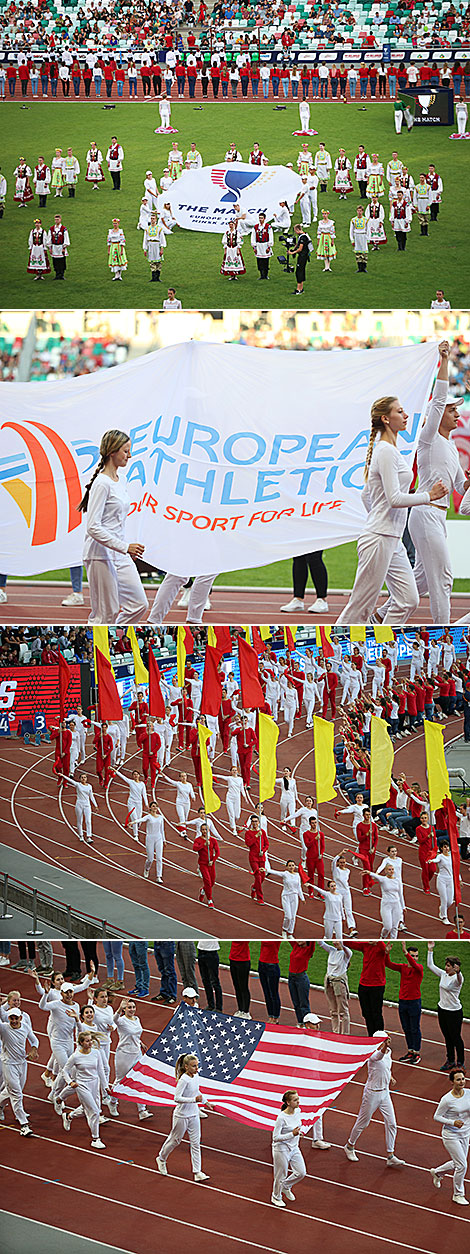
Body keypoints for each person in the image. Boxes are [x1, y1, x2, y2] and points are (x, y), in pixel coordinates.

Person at [336, 389, 446, 625]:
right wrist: (429, 496)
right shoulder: (385, 451)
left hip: (391, 539)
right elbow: (395, 499)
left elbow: (367, 495)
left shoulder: (390, 451)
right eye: (400, 411)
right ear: (386, 419)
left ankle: (382, 639)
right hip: (379, 538)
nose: (406, 415)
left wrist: (380, 516)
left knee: (408, 600)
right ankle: (335, 649)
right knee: (360, 608)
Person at [408, 340, 469, 624]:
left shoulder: (452, 447)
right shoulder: (428, 436)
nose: (457, 414)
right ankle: (444, 631)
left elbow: (460, 488)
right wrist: (444, 360)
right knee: (443, 579)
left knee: (420, 582)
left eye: (458, 410)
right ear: (438, 413)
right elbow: (440, 395)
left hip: (437, 516)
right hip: (425, 513)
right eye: (452, 410)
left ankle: (380, 615)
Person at [79, 429, 148, 624]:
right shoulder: (101, 484)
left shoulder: (121, 480)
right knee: (104, 615)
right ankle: (102, 645)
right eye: (126, 451)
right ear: (112, 452)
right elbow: (93, 527)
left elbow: (116, 522)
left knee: (139, 604)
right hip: (100, 554)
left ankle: (115, 632)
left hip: (119, 553)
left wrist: (125, 549)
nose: (130, 455)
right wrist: (125, 547)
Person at [344, 1034, 405, 1167]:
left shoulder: (388, 1052)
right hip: (372, 1093)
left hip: (385, 1092)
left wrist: (390, 1077)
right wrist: (385, 1046)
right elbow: (379, 1057)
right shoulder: (372, 1054)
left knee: (392, 1123)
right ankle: (349, 1146)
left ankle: (390, 1155)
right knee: (363, 1122)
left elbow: (386, 1067)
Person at [157, 1053, 213, 1181]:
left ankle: (197, 1172)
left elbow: (197, 1091)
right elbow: (177, 1098)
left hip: (193, 1114)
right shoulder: (183, 1080)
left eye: (197, 1065)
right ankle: (161, 1159)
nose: (196, 1068)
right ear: (186, 1067)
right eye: (194, 1066)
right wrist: (194, 1100)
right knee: (175, 1140)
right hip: (181, 1115)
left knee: (195, 1143)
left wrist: (206, 1102)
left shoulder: (196, 1076)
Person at [60, 1030, 108, 1148]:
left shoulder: (96, 1053)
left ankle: (69, 1116)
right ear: (81, 1043)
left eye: (91, 1040)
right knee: (95, 1112)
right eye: (87, 1041)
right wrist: (70, 1082)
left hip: (94, 1084)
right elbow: (64, 1071)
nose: (90, 1042)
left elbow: (101, 1070)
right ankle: (95, 1139)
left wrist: (106, 1087)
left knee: (88, 1108)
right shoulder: (75, 1057)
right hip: (82, 1085)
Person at [431, 1068, 470, 1205]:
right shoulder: (447, 1099)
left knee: (458, 1163)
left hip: (465, 1134)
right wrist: (452, 1122)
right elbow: (436, 1117)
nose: (462, 1082)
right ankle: (458, 1194)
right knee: (462, 1165)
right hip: (451, 1135)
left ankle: (437, 1172)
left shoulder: (469, 1094)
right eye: (458, 1079)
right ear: (452, 1081)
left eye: (463, 1079)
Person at [0, 1007, 38, 1136]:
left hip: (22, 1063)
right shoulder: (4, 1028)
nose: (14, 1021)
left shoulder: (25, 1027)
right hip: (9, 1064)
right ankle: (24, 1125)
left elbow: (34, 1040)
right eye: (12, 1018)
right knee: (17, 1094)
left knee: (13, 1091)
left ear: (20, 1018)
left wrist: (34, 1049)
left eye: (16, 1018)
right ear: (8, 1018)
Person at [426, 943, 465, 1070]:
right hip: (442, 1009)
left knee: (456, 1037)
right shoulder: (443, 974)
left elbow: (459, 980)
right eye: (446, 965)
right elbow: (430, 965)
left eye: (449, 966)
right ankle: (450, 1060)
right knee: (447, 1037)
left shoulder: (458, 979)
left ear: (455, 967)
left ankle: (460, 1061)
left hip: (454, 1011)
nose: (446, 968)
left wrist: (458, 973)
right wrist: (430, 950)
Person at [112, 997, 152, 1118]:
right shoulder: (121, 1020)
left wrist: (140, 1042)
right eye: (129, 1007)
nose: (132, 1009)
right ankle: (113, 1102)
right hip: (124, 1054)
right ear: (124, 1009)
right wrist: (119, 1008)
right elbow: (113, 1020)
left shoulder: (137, 1019)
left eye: (133, 1007)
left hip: (137, 1053)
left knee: (139, 1080)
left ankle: (142, 1110)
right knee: (120, 1080)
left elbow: (135, 1033)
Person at [385, 941, 424, 1063]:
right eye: (413, 956)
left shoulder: (419, 968)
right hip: (403, 1002)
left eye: (416, 956)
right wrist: (386, 953)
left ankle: (417, 1053)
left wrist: (406, 953)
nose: (414, 958)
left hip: (414, 1002)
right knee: (406, 1028)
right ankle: (410, 1050)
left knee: (414, 1028)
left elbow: (414, 965)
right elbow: (388, 964)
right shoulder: (403, 967)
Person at [271, 1090, 307, 1208]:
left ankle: (285, 1186)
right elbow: (275, 1137)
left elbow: (297, 1127)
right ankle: (276, 1197)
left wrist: (299, 1132)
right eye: (295, 1100)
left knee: (301, 1172)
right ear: (288, 1102)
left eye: (298, 1099)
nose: (298, 1101)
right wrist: (292, 1134)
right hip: (281, 1149)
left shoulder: (298, 1111)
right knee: (280, 1174)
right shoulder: (281, 1118)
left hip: (294, 1147)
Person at [349, 942, 388, 1035]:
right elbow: (350, 943)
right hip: (363, 985)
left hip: (377, 985)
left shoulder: (380, 946)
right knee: (366, 1013)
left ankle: (379, 1037)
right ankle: (371, 1035)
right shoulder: (365, 945)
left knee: (376, 1013)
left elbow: (383, 948)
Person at [319, 939, 352, 1033]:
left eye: (337, 941)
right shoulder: (331, 950)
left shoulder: (346, 954)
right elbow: (320, 943)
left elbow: (347, 950)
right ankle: (335, 1031)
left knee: (343, 1010)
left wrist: (342, 943)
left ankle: (345, 1034)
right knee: (333, 1010)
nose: (335, 942)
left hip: (339, 983)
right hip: (329, 981)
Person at [60, 772, 97, 844]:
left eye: (85, 777)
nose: (83, 779)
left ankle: (89, 836)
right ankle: (81, 835)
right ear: (80, 779)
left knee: (88, 821)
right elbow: (70, 781)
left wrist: (95, 805)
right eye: (82, 777)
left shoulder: (89, 786)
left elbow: (91, 796)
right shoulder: (78, 785)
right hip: (79, 804)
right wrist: (63, 775)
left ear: (86, 779)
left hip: (87, 805)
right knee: (79, 820)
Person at [287, 941, 315, 1025]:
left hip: (301, 978)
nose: (298, 940)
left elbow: (313, 942)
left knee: (304, 1004)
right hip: (291, 978)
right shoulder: (296, 946)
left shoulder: (308, 950)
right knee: (296, 1003)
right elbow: (290, 939)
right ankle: (300, 1023)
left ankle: (308, 1024)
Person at [258, 942, 281, 1023]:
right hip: (261, 964)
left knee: (273, 993)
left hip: (272, 965)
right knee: (266, 993)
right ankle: (270, 1016)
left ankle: (275, 1017)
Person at [197, 940, 223, 1012]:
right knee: (205, 980)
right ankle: (210, 1004)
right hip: (201, 950)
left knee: (215, 981)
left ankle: (218, 1007)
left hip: (211, 952)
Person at [288, 223, 311, 295]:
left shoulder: (303, 237)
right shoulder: (304, 235)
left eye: (295, 231)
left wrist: (292, 252)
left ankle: (299, 290)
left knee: (299, 272)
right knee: (301, 271)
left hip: (302, 257)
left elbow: (300, 248)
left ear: (298, 229)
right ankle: (301, 288)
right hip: (304, 256)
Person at [143, 211, 166, 282]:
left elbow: (162, 239)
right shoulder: (147, 229)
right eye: (151, 218)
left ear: (156, 219)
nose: (152, 220)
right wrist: (145, 249)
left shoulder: (159, 228)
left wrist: (162, 248)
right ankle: (153, 277)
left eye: (153, 218)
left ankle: (158, 277)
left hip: (157, 245)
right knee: (152, 262)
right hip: (150, 244)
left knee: (158, 262)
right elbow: (145, 239)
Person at [229, 942, 251, 1017]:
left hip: (243, 960)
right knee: (237, 986)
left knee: (243, 987)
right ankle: (240, 1009)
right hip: (233, 958)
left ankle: (246, 1012)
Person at [251, 213, 273, 280]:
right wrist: (254, 247)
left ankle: (265, 275)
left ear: (264, 219)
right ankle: (261, 275)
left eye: (262, 218)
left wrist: (269, 247)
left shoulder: (268, 227)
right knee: (259, 261)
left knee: (265, 261)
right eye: (259, 218)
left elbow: (271, 236)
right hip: (258, 245)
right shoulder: (255, 227)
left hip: (265, 244)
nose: (260, 219)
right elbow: (253, 237)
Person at [48, 213, 70, 281]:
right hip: (54, 247)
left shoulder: (63, 229)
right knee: (55, 261)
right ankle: (57, 274)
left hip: (61, 247)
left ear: (60, 220)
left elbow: (66, 238)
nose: (56, 221)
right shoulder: (51, 229)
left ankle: (62, 274)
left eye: (58, 219)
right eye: (55, 220)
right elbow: (49, 238)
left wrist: (64, 247)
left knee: (62, 261)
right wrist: (50, 248)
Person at [316, 209, 336, 273]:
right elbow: (319, 232)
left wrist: (332, 241)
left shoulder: (331, 223)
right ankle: (326, 266)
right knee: (324, 251)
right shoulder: (320, 222)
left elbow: (332, 232)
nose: (324, 215)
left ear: (327, 214)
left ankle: (328, 266)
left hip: (328, 237)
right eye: (323, 214)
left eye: (325, 214)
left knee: (329, 251)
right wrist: (318, 241)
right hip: (323, 237)